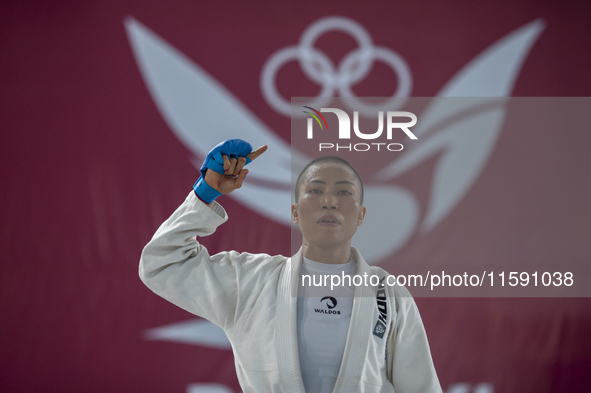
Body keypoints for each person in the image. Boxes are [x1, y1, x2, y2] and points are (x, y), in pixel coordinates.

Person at [139, 139, 442, 393]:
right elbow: (162, 263)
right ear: (295, 212)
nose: (329, 201)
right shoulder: (251, 281)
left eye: (344, 192)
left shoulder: (389, 295)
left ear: (361, 214)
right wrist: (205, 193)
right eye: (316, 190)